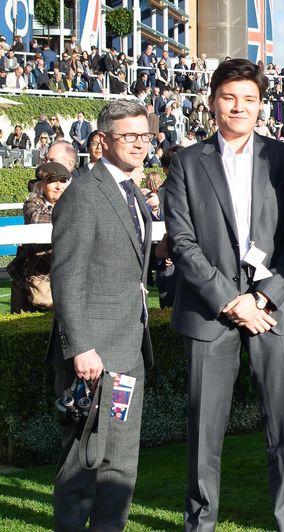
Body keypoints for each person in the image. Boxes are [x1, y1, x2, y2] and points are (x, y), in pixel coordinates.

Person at [164, 58, 284, 531]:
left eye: (249, 98)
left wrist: (262, 298)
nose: (238, 107)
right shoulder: (186, 162)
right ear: (211, 103)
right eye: (229, 97)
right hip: (211, 313)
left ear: (262, 104)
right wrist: (232, 300)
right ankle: (200, 524)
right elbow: (182, 243)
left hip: (274, 309)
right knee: (204, 433)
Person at [47, 99, 154, 531]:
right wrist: (82, 348)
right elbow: (66, 277)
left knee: (119, 467)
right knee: (81, 467)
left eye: (145, 135)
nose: (139, 144)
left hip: (127, 353)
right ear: (102, 140)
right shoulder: (83, 194)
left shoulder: (130, 191)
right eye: (129, 136)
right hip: (92, 359)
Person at [9, 163, 70, 313]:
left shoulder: (73, 203)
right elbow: (37, 219)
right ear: (40, 185)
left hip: (64, 272)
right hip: (34, 278)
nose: (58, 186)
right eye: (52, 181)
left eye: (63, 181)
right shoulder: (33, 203)